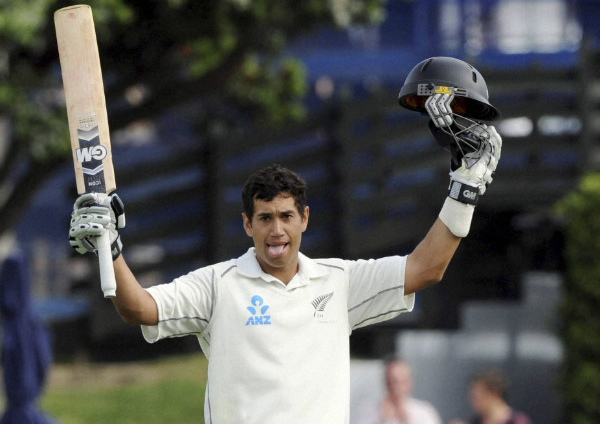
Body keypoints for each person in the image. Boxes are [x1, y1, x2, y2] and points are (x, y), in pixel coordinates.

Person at [68, 56, 502, 424]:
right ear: (247, 225)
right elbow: (139, 309)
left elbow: (427, 268)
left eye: (286, 217)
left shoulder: (339, 282)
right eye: (265, 218)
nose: (277, 230)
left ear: (304, 219)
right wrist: (112, 248)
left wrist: (463, 192)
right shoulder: (218, 285)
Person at [361, 358, 442, 424]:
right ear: (386, 382)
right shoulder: (370, 411)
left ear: (410, 383)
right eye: (392, 381)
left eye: (402, 381)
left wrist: (405, 419)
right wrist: (383, 419)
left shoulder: (424, 412)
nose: (396, 387)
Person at [449, 370, 532, 424]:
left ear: (495, 393)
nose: (472, 401)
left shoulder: (517, 421)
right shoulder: (476, 420)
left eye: (476, 396)